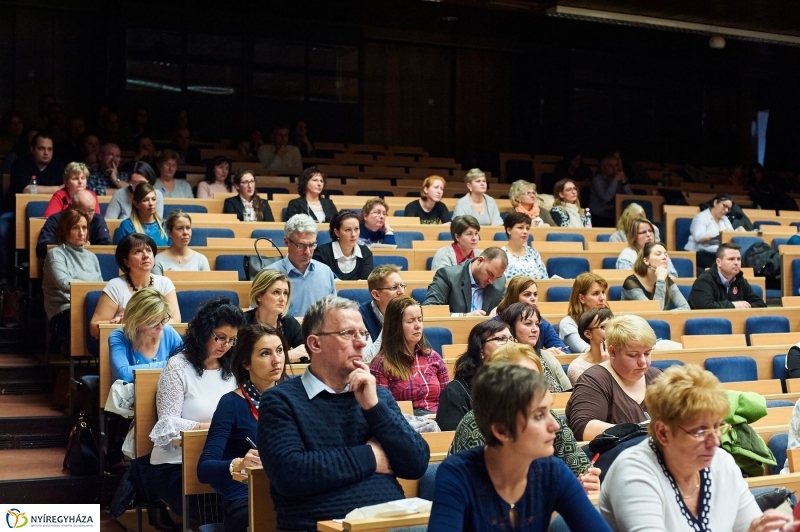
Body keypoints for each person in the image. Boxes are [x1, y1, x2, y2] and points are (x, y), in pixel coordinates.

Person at [257, 296, 429, 531]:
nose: (361, 344)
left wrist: (374, 408)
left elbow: (416, 463)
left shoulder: (376, 396)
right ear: (315, 344)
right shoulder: (281, 400)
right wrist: (370, 456)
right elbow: (291, 473)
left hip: (391, 523)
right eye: (348, 334)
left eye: (363, 334)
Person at [599, 364, 793, 532]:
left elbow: (748, 524)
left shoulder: (721, 462)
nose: (715, 442)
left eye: (718, 426)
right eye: (700, 432)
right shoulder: (633, 473)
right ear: (663, 433)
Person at [428, 363, 611, 532]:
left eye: (550, 411)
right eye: (539, 416)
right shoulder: (457, 474)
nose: (555, 425)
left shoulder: (554, 473)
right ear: (501, 430)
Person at [144, 297, 247, 514]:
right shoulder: (178, 366)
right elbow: (168, 425)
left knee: (250, 499)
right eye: (219, 337)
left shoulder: (234, 369)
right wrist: (212, 427)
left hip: (222, 459)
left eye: (232, 340)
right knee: (218, 506)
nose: (225, 345)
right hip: (175, 464)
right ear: (203, 332)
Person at [448, 343, 598, 485]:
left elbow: (581, 470)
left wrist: (588, 484)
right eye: (524, 378)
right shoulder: (475, 424)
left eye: (536, 377)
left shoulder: (550, 418)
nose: (532, 385)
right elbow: (478, 493)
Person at [198, 323, 288, 532]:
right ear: (247, 363)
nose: (276, 360)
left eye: (280, 350)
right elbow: (204, 469)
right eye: (265, 353)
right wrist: (237, 464)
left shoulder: (294, 397)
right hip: (245, 497)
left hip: (287, 490)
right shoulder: (231, 403)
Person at [565, 315, 661, 441]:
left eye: (647, 353)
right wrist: (639, 429)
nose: (643, 362)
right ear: (613, 352)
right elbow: (584, 429)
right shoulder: (594, 380)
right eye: (633, 355)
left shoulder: (658, 377)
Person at [369, 296, 449, 415]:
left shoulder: (433, 357)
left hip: (437, 421)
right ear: (395, 326)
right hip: (406, 424)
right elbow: (382, 410)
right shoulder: (381, 364)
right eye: (410, 321)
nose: (418, 326)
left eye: (420, 319)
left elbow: (447, 401)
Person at [89, 233, 180, 339]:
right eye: (138, 251)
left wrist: (134, 322)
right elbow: (94, 327)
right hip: (126, 342)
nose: (146, 255)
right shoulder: (115, 286)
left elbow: (175, 320)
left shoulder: (165, 283)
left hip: (158, 342)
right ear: (126, 262)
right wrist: (117, 325)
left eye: (149, 250)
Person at [437, 320, 515, 431]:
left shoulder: (518, 385)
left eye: (511, 339)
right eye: (500, 339)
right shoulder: (455, 391)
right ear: (480, 350)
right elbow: (451, 438)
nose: (510, 344)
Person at [42, 209, 103, 343]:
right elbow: (64, 283)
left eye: (84, 228)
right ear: (65, 230)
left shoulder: (92, 257)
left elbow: (100, 287)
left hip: (91, 307)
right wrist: (88, 288)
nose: (81, 233)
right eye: (75, 228)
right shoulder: (56, 254)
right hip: (64, 309)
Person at [266, 214, 335, 317]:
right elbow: (259, 317)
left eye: (312, 245)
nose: (307, 252)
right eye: (301, 246)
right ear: (287, 242)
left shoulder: (325, 272)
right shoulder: (268, 274)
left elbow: (332, 312)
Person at [108, 287, 182, 383]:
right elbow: (123, 374)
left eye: (163, 320)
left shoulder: (168, 331)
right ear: (136, 321)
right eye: (153, 323)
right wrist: (171, 365)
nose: (160, 327)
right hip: (132, 396)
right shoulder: (118, 336)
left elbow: (188, 362)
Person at [498, 303, 571, 392]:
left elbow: (568, 393)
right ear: (511, 328)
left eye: (537, 324)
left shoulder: (546, 356)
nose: (535, 329)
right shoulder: (502, 361)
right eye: (528, 323)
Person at [244, 269, 308, 363]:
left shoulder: (289, 324)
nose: (282, 299)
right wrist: (289, 355)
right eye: (276, 292)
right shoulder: (243, 322)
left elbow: (307, 355)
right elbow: (242, 361)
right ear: (259, 296)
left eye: (285, 293)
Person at [492, 276, 569, 353]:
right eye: (527, 295)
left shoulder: (541, 322)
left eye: (535, 294)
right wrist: (542, 355)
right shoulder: (497, 323)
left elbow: (565, 350)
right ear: (514, 297)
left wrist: (553, 353)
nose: (533, 298)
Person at [423, 247, 507, 316]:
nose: (492, 281)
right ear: (480, 261)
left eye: (497, 277)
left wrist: (500, 310)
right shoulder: (448, 276)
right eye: (490, 273)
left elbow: (510, 307)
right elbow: (429, 310)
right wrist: (463, 317)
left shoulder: (500, 281)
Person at [687, 242, 766, 310]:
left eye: (738, 259)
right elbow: (705, 307)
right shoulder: (704, 280)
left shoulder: (740, 280)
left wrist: (743, 307)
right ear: (719, 262)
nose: (736, 263)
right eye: (731, 259)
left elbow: (760, 304)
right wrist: (733, 305)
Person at [36, 189, 111, 260]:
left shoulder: (97, 220)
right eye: (83, 212)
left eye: (91, 211)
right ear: (71, 207)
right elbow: (42, 248)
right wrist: (72, 246)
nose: (87, 216)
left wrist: (88, 249)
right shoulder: (56, 220)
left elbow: (107, 248)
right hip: (61, 262)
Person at [358, 264, 406, 363]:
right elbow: (367, 360)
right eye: (394, 287)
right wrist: (390, 321)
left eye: (402, 286)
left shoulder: (407, 311)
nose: (401, 292)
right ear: (376, 295)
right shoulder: (359, 316)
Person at [684, 193, 745, 269]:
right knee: (726, 264)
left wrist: (738, 231)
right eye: (724, 206)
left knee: (738, 261)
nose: (726, 210)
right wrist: (719, 234)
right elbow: (698, 237)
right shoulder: (701, 217)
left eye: (729, 208)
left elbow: (729, 236)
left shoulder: (725, 219)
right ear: (715, 202)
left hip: (717, 253)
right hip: (699, 252)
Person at [622, 242, 690, 310]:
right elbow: (654, 311)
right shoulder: (631, 283)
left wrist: (666, 314)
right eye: (658, 254)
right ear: (646, 261)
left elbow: (686, 307)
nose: (664, 257)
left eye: (665, 254)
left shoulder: (665, 279)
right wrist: (660, 280)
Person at [312, 211, 373, 280]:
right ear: (337, 232)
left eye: (356, 229)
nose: (354, 234)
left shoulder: (365, 252)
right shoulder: (321, 254)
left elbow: (365, 285)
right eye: (348, 230)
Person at [559, 272, 610, 353]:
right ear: (582, 298)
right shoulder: (568, 323)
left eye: (603, 292)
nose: (602, 298)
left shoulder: (611, 319)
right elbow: (586, 351)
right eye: (596, 293)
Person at [152, 211, 210, 275]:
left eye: (188, 228)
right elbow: (157, 284)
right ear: (169, 233)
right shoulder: (158, 260)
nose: (185, 232)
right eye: (180, 228)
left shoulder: (201, 259)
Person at [567, 308, 613, 386]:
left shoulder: (623, 358)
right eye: (603, 327)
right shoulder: (577, 368)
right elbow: (596, 395)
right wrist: (605, 368)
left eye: (612, 326)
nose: (611, 331)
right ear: (588, 334)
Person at [500, 212, 549, 279]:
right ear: (509, 230)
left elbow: (545, 279)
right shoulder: (501, 255)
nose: (525, 231)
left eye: (527, 228)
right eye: (520, 227)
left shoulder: (533, 252)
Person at [589, 154, 633, 228]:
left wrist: (624, 183)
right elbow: (606, 197)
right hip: (599, 217)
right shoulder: (597, 180)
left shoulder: (619, 179)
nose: (614, 169)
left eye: (616, 166)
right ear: (604, 168)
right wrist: (615, 180)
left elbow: (631, 197)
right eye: (610, 166)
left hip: (615, 215)